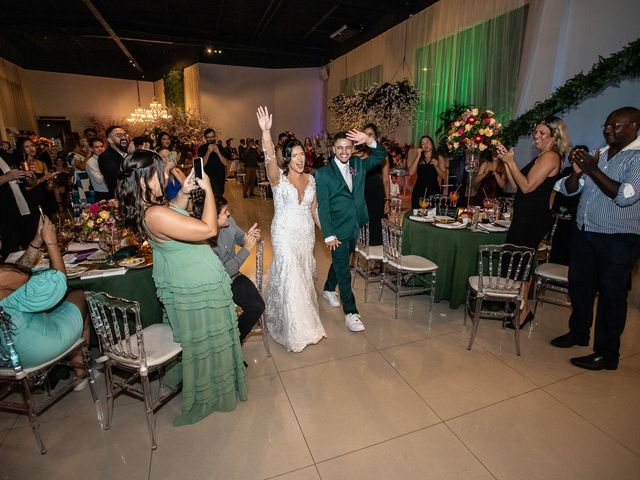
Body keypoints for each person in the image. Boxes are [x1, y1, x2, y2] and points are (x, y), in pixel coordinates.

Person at [117, 149, 247, 425]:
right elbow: (209, 229)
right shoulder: (154, 214)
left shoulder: (149, 208)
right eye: (159, 172)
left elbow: (173, 212)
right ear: (143, 181)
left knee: (206, 342)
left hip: (193, 282)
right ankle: (212, 393)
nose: (166, 176)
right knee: (206, 343)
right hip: (196, 287)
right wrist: (209, 190)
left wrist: (185, 193)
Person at [551, 107, 640, 371]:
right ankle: (578, 332)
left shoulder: (636, 159)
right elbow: (568, 190)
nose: (608, 130)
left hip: (618, 238)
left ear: (634, 126)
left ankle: (606, 353)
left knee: (612, 296)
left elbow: (625, 196)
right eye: (606, 125)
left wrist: (592, 169)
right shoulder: (600, 154)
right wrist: (579, 172)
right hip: (585, 231)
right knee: (579, 286)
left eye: (615, 126)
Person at [256, 106, 326, 352]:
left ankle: (293, 313)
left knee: (302, 272)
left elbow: (315, 209)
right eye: (294, 155)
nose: (300, 158)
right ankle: (296, 330)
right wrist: (266, 133)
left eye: (302, 154)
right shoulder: (278, 178)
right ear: (287, 158)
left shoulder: (311, 180)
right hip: (284, 233)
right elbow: (269, 159)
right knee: (291, 273)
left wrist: (326, 232)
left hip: (305, 235)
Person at [0, 216, 93, 390]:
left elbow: (18, 271)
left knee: (54, 307)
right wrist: (51, 243)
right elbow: (57, 283)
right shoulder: (2, 277)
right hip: (31, 349)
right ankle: (81, 371)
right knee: (80, 296)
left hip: (5, 351)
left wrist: (36, 241)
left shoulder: (4, 276)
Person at [498, 116, 570, 327]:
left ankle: (523, 310)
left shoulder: (551, 157)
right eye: (536, 132)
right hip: (524, 215)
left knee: (520, 263)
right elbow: (517, 185)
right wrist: (508, 164)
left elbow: (528, 187)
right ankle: (518, 307)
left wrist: (512, 162)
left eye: (542, 133)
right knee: (516, 261)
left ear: (554, 136)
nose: (536, 136)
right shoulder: (542, 156)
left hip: (533, 218)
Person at [315, 129, 387, 332]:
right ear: (333, 149)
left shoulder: (358, 165)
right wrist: (328, 235)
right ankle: (351, 312)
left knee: (341, 262)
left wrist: (370, 140)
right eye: (340, 148)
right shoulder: (323, 173)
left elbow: (381, 156)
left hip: (355, 225)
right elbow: (324, 208)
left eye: (348, 147)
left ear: (353, 148)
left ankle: (329, 289)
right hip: (336, 230)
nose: (344, 152)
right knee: (345, 272)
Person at [211, 197, 264, 344]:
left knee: (257, 306)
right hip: (217, 285)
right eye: (224, 212)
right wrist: (246, 249)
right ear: (212, 216)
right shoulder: (205, 240)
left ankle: (233, 343)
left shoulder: (229, 222)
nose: (228, 213)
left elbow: (241, 238)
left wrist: (250, 237)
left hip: (234, 277)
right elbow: (224, 272)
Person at [0, 148, 38, 257]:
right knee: (11, 251)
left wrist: (30, 175)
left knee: (33, 247)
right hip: (5, 213)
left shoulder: (9, 156)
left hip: (24, 207)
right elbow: (9, 177)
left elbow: (30, 183)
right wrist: (7, 177)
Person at [361, 123, 391, 246]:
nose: (367, 137)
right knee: (363, 226)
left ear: (376, 136)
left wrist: (387, 199)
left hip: (377, 193)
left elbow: (385, 179)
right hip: (362, 193)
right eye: (365, 134)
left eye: (370, 134)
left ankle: (378, 261)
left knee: (377, 225)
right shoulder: (358, 154)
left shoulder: (382, 155)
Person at [409, 135, 448, 209]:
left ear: (432, 144)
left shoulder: (439, 157)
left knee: (432, 216)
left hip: (433, 192)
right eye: (423, 143)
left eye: (427, 142)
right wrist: (418, 156)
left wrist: (436, 166)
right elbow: (410, 172)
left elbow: (445, 177)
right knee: (417, 216)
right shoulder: (419, 158)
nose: (425, 144)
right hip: (418, 191)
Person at [99, 125, 129, 198]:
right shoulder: (105, 157)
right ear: (110, 140)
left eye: (125, 134)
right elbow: (119, 176)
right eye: (119, 135)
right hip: (120, 198)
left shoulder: (130, 154)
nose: (124, 137)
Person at [197, 129, 228, 200]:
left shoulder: (220, 147)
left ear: (215, 137)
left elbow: (225, 163)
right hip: (208, 178)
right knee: (210, 198)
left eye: (212, 136)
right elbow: (202, 165)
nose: (211, 139)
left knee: (219, 197)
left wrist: (218, 152)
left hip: (220, 177)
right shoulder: (201, 149)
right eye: (208, 137)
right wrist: (208, 152)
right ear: (205, 138)